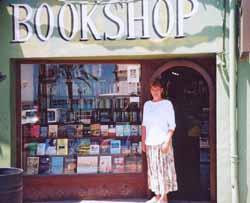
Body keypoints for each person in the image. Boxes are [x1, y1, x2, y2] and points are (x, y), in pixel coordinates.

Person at [142, 78, 178, 203]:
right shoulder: (147, 105)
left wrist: (167, 142)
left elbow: (172, 126)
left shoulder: (167, 104)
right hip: (150, 143)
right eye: (153, 90)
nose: (155, 92)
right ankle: (157, 196)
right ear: (150, 90)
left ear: (162, 90)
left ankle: (164, 198)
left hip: (163, 143)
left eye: (157, 90)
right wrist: (143, 142)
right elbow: (144, 125)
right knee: (153, 170)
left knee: (164, 170)